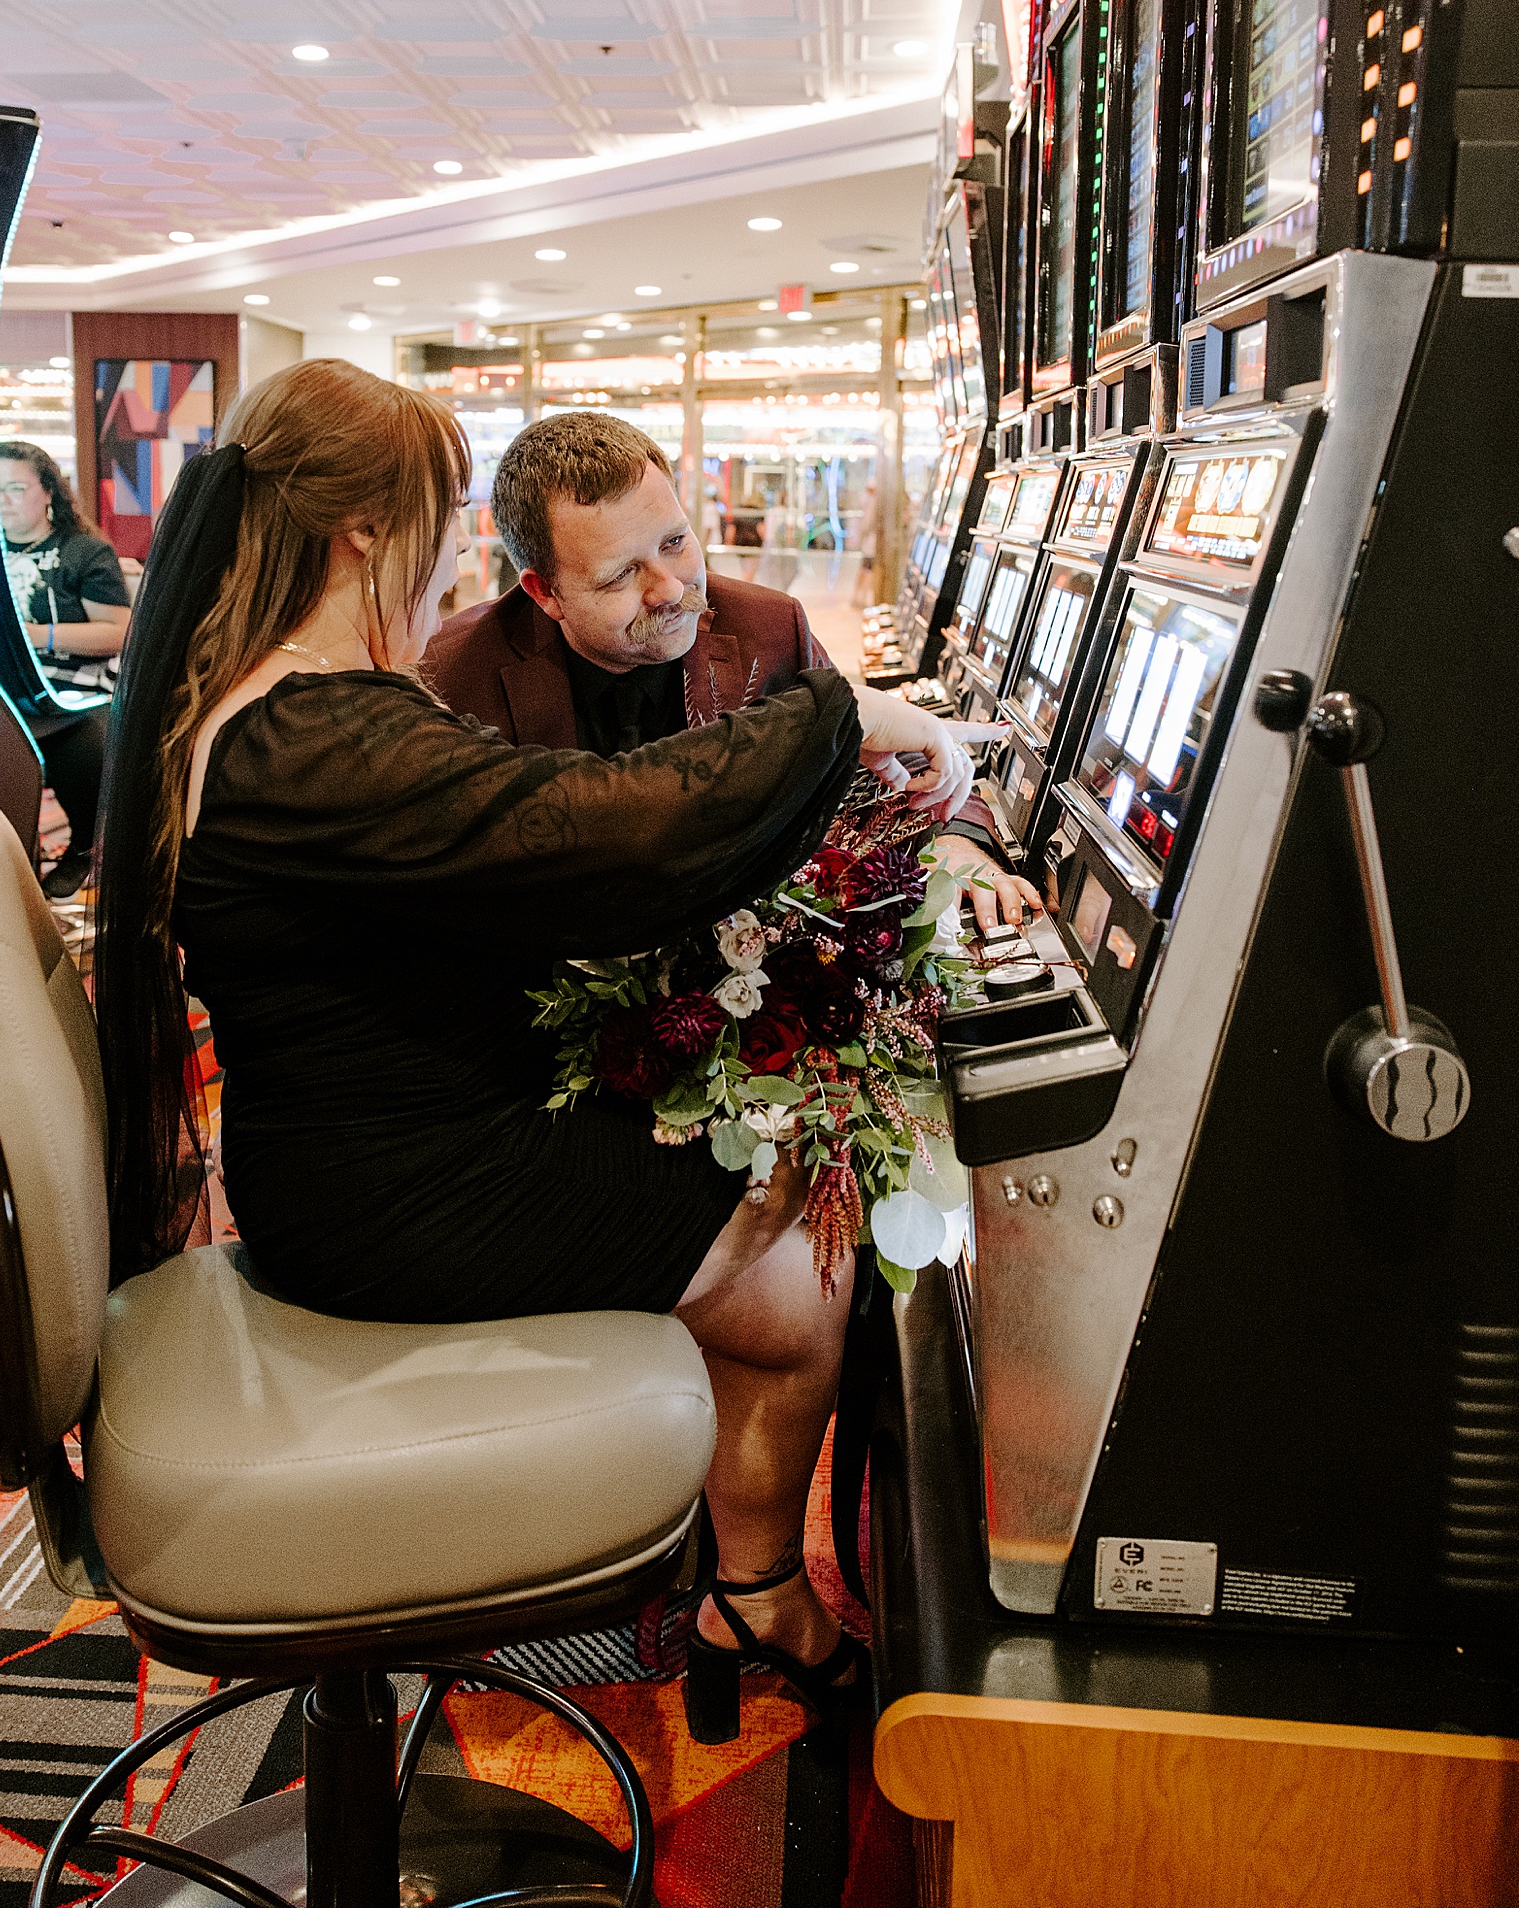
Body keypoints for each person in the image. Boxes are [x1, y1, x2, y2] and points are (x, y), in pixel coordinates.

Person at [94, 359, 988, 1741]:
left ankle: (732, 1576)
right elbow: (591, 835)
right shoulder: (311, 729)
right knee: (811, 1244)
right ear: (359, 533)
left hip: (366, 1154)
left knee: (769, 1180)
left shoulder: (283, 702)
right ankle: (750, 1592)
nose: (454, 547)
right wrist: (838, 718)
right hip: (401, 1193)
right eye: (444, 514)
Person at [423, 411, 1038, 926]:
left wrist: (961, 844)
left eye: (675, 543)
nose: (671, 590)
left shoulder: (765, 627)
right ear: (543, 592)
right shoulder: (453, 678)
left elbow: (902, 769)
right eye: (619, 574)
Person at [0, 441, 132, 899]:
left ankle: (87, 850)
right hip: (1, 686)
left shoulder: (83, 553)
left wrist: (35, 635)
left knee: (83, 738)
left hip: (78, 688)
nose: (4, 500)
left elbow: (118, 631)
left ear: (48, 491)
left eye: (16, 487)